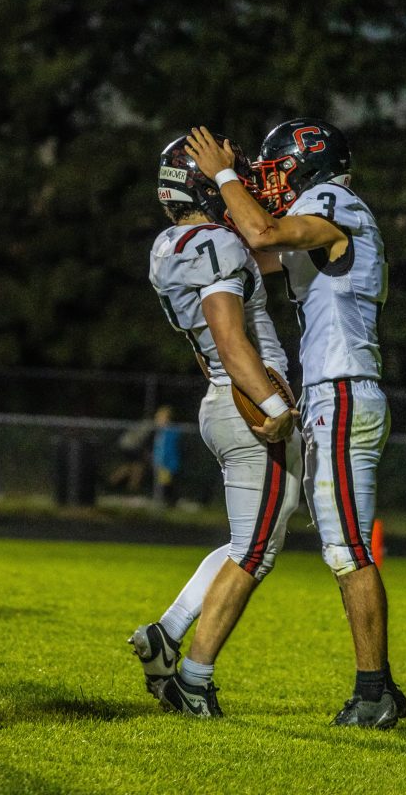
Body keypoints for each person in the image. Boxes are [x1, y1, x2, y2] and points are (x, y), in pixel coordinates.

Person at [185, 120, 406, 730]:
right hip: (340, 392)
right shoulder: (325, 212)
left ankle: (373, 694)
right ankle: (379, 687)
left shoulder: (332, 201)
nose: (270, 180)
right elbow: (254, 251)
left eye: (276, 169)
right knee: (345, 545)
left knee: (348, 549)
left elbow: (261, 231)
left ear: (307, 165)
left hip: (343, 391)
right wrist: (214, 207)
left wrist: (223, 177)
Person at [129, 133, 302, 718]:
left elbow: (273, 253)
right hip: (246, 400)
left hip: (224, 400)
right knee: (255, 552)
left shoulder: (172, 244)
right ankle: (195, 681)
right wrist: (274, 407)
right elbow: (230, 339)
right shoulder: (215, 245)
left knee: (247, 543)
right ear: (201, 186)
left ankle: (167, 634)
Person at [151, 405, 182, 506]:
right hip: (161, 462)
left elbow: (168, 449)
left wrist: (162, 461)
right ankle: (166, 501)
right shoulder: (161, 432)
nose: (157, 420)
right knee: (163, 483)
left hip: (167, 463)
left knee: (166, 483)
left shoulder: (170, 431)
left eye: (160, 417)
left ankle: (168, 502)